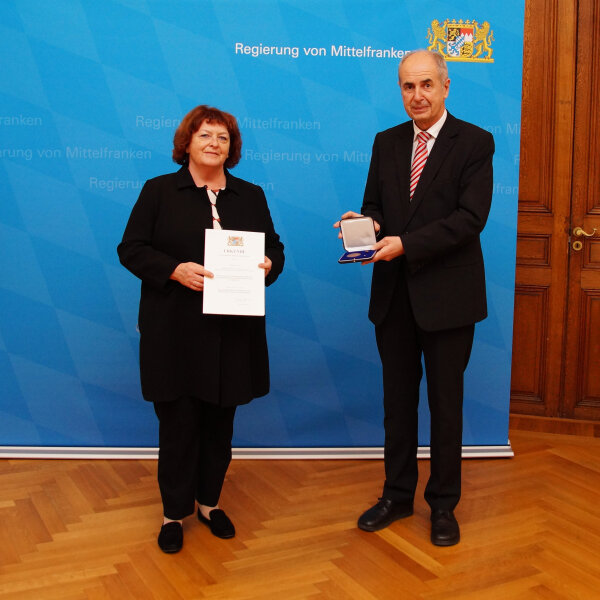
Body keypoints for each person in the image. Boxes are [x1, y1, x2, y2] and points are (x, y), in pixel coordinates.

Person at [335, 50, 494, 546]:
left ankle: (443, 505)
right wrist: (365, 226)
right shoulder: (386, 142)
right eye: (408, 87)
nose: (417, 96)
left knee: (446, 406)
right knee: (397, 405)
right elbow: (375, 205)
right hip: (394, 298)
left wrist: (406, 244)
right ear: (400, 90)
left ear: (446, 85)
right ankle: (397, 496)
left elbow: (471, 219)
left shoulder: (475, 141)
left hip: (448, 298)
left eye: (426, 84)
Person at [118, 105, 284, 553]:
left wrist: (269, 264)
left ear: (232, 148)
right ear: (187, 143)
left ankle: (209, 503)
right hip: (174, 331)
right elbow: (130, 249)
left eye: (223, 138)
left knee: (219, 425)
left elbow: (275, 250)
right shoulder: (158, 191)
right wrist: (173, 270)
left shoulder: (250, 195)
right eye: (205, 135)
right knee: (177, 425)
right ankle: (174, 513)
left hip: (232, 332)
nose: (214, 143)